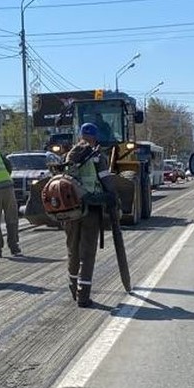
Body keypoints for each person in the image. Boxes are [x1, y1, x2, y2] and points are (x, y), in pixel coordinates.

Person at [63, 122, 117, 308]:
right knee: (88, 253)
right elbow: (106, 181)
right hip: (90, 209)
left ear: (80, 136)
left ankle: (73, 287)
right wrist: (112, 198)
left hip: (70, 210)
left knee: (73, 250)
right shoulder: (97, 157)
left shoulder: (69, 154)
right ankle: (83, 295)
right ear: (95, 137)